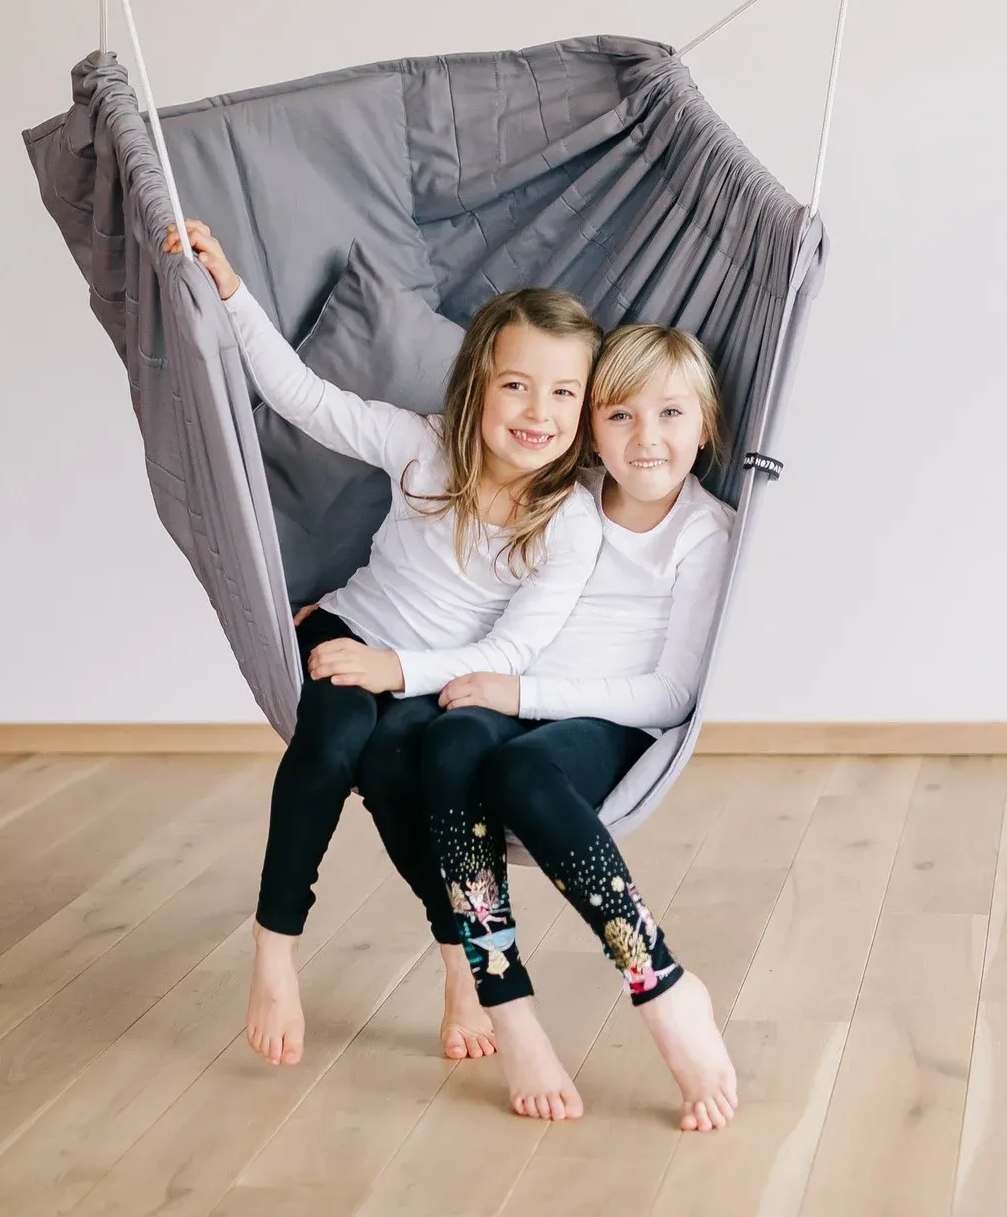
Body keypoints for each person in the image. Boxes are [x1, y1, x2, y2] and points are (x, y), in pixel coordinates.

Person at [163, 219, 604, 1071]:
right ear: (477, 386)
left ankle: (459, 962)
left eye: (563, 394)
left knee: (403, 774)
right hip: (350, 631)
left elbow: (511, 654)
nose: (538, 413)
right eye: (517, 385)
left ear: (585, 410)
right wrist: (232, 292)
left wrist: (393, 672)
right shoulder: (424, 446)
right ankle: (274, 946)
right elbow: (304, 398)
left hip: (435, 682)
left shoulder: (570, 522)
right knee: (332, 741)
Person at [358, 322, 739, 1131]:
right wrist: (352, 616)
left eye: (672, 414)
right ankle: (506, 1000)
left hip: (608, 719)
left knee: (519, 772)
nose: (646, 438)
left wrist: (523, 693)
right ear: (590, 428)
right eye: (621, 415)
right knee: (445, 740)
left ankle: (658, 981)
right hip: (519, 696)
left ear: (706, 427)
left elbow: (672, 694)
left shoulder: (705, 532)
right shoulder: (567, 498)